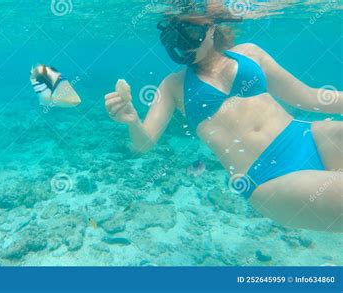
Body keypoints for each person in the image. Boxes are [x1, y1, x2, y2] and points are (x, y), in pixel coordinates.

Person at [104, 13, 342, 232]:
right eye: (174, 39)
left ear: (211, 29)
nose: (183, 45)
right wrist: (132, 121)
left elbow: (308, 97)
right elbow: (144, 144)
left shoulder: (250, 53)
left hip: (307, 136)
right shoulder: (172, 85)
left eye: (191, 34)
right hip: (267, 179)